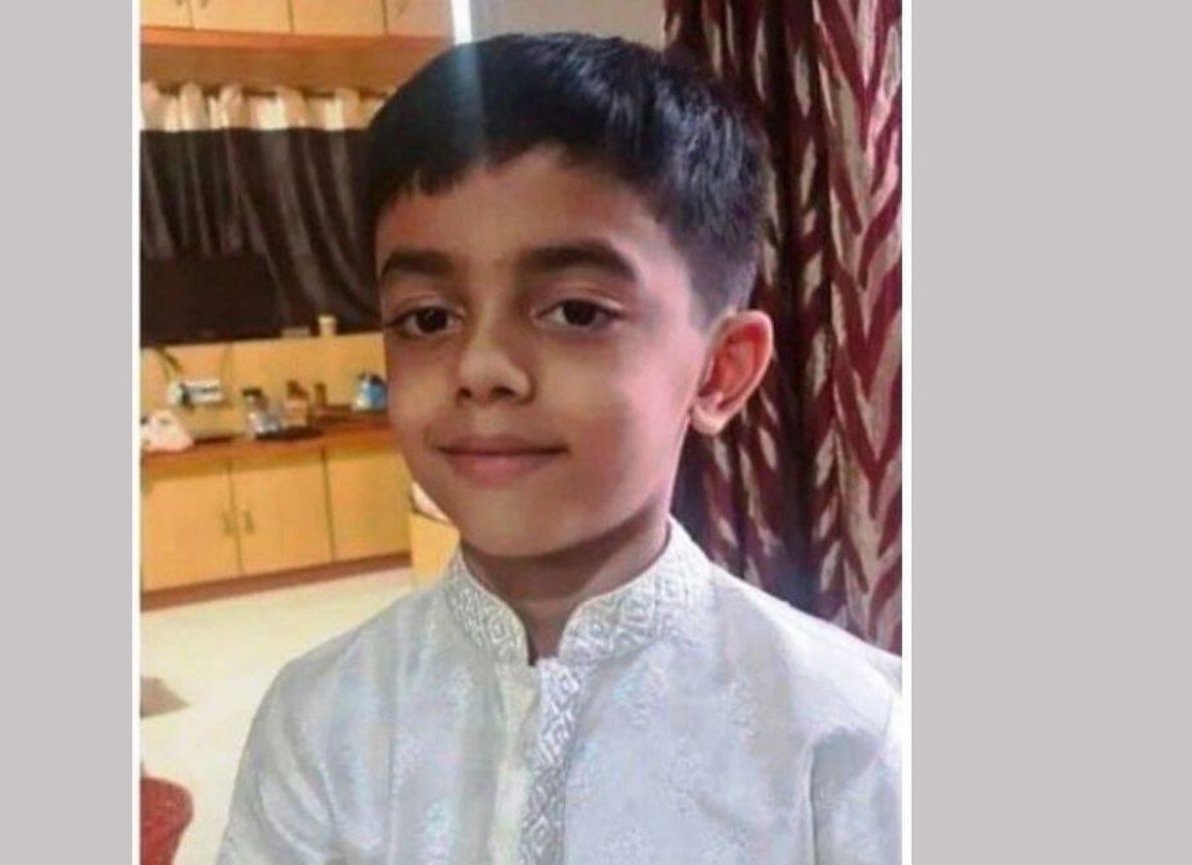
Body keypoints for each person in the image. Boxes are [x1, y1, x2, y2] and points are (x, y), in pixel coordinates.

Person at [219, 32, 901, 865]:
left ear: (720, 371)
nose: (480, 368)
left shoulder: (850, 733)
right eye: (428, 318)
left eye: (577, 312)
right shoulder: (322, 719)